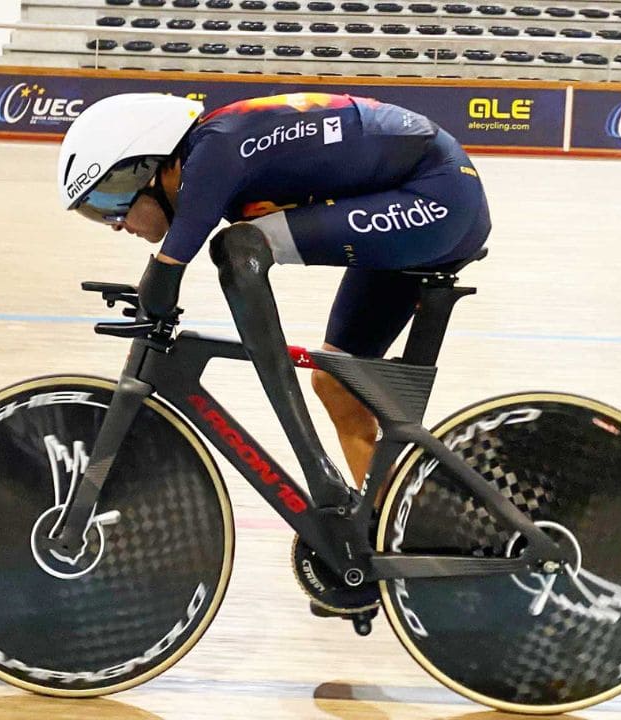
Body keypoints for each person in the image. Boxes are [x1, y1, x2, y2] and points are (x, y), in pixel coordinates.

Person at [58, 91, 491, 513]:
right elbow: (161, 287)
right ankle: (394, 525)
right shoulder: (217, 149)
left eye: (108, 202)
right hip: (420, 197)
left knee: (239, 248)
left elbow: (166, 275)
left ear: (148, 170)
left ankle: (317, 468)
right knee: (335, 383)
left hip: (438, 196)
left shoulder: (212, 153)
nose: (114, 224)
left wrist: (152, 302)